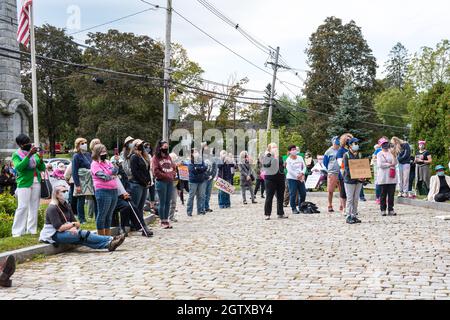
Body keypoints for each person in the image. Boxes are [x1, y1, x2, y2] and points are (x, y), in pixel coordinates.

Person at [39, 185, 125, 251]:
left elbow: (77, 223)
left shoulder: (67, 205)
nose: (66, 192)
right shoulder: (52, 208)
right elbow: (59, 228)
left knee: (82, 240)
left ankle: (109, 245)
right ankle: (111, 238)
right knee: (82, 234)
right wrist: (72, 225)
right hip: (53, 235)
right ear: (57, 194)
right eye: (63, 191)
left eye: (67, 191)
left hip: (65, 231)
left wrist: (72, 226)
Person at [11, 134, 46, 237]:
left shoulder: (34, 153)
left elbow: (42, 168)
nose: (29, 144)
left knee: (34, 206)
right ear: (20, 145)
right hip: (24, 183)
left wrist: (41, 158)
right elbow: (19, 168)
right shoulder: (16, 154)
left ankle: (32, 230)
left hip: (36, 181)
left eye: (29, 142)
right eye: (26, 143)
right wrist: (29, 155)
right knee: (22, 207)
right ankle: (17, 232)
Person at [91, 144, 119, 236]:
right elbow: (104, 177)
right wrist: (112, 175)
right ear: (97, 153)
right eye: (102, 152)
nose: (104, 153)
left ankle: (108, 236)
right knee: (102, 214)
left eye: (105, 151)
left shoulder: (108, 162)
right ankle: (101, 237)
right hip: (103, 191)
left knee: (109, 215)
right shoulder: (94, 164)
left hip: (113, 190)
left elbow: (115, 171)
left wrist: (116, 164)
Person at [152, 140, 176, 229]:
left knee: (167, 202)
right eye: (165, 147)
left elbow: (173, 167)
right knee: (162, 202)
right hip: (161, 182)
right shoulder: (155, 158)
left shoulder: (168, 156)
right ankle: (162, 221)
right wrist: (166, 175)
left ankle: (166, 220)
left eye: (167, 147)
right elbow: (155, 171)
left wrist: (172, 174)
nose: (166, 148)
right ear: (160, 147)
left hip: (170, 181)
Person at [129, 139, 152, 227]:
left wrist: (149, 180)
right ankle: (136, 224)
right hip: (137, 184)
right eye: (139, 144)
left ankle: (140, 224)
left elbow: (147, 170)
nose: (141, 145)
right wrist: (144, 181)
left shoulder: (144, 156)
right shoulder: (134, 156)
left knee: (141, 206)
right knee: (136, 205)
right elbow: (135, 172)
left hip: (144, 184)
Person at [72, 137, 95, 224]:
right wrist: (77, 185)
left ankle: (96, 216)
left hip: (89, 181)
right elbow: (74, 171)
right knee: (81, 200)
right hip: (81, 181)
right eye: (82, 143)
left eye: (85, 143)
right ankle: (82, 219)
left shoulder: (88, 154)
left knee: (94, 198)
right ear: (78, 145)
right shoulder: (76, 156)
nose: (85, 144)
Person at [263, 143, 288, 220]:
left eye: (276, 147)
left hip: (280, 178)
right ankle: (267, 214)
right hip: (270, 179)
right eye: (273, 147)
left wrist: (284, 165)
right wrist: (275, 158)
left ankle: (280, 213)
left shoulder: (279, 156)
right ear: (269, 149)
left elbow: (280, 166)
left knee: (280, 196)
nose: (275, 148)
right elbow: (267, 165)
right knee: (269, 197)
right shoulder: (267, 157)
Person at [343, 137, 364, 224]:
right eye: (355, 144)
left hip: (359, 181)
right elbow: (347, 169)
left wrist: (363, 176)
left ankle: (354, 215)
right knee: (350, 198)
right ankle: (348, 216)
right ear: (350, 145)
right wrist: (356, 177)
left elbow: (362, 166)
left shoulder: (359, 155)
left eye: (357, 143)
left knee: (356, 198)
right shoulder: (346, 155)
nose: (357, 145)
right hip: (349, 180)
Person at [377, 138, 399, 216]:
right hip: (383, 177)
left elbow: (395, 162)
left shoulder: (391, 152)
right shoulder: (379, 153)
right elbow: (380, 164)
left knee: (391, 195)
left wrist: (393, 155)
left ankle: (391, 209)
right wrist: (389, 164)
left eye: (386, 144)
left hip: (391, 176)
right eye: (383, 144)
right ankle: (383, 209)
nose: (385, 145)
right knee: (383, 194)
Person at [285, 145, 307, 214]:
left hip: (300, 177)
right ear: (289, 151)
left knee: (303, 193)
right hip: (292, 178)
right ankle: (293, 208)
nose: (294, 151)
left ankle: (301, 206)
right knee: (293, 193)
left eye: (295, 149)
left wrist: (302, 173)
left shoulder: (300, 158)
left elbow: (304, 166)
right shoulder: (288, 160)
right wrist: (297, 176)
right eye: (293, 149)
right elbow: (289, 170)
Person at [323, 136, 342, 212]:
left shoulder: (341, 150)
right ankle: (329, 205)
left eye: (338, 143)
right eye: (336, 143)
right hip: (332, 172)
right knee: (330, 190)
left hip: (341, 172)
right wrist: (330, 170)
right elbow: (325, 162)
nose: (337, 145)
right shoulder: (328, 151)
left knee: (342, 190)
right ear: (333, 143)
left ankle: (342, 204)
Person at [187, 148, 208, 216]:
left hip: (201, 180)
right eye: (195, 152)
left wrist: (198, 168)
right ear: (192, 154)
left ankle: (200, 210)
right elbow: (193, 171)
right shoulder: (190, 161)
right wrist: (200, 169)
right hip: (193, 181)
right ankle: (189, 211)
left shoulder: (201, 160)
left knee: (201, 196)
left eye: (197, 152)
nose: (197, 153)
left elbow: (205, 168)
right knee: (191, 196)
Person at [336, 133, 354, 213]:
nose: (349, 141)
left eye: (350, 139)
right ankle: (344, 208)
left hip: (353, 173)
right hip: (344, 174)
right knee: (343, 192)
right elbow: (340, 163)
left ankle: (351, 208)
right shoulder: (341, 150)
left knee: (352, 193)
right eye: (347, 139)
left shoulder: (353, 150)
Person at [203, 143, 217, 213]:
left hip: (210, 179)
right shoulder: (201, 158)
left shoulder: (212, 158)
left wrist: (212, 176)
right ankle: (202, 207)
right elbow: (201, 169)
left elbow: (215, 168)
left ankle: (207, 207)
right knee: (203, 194)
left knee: (208, 194)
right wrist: (206, 176)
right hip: (204, 179)